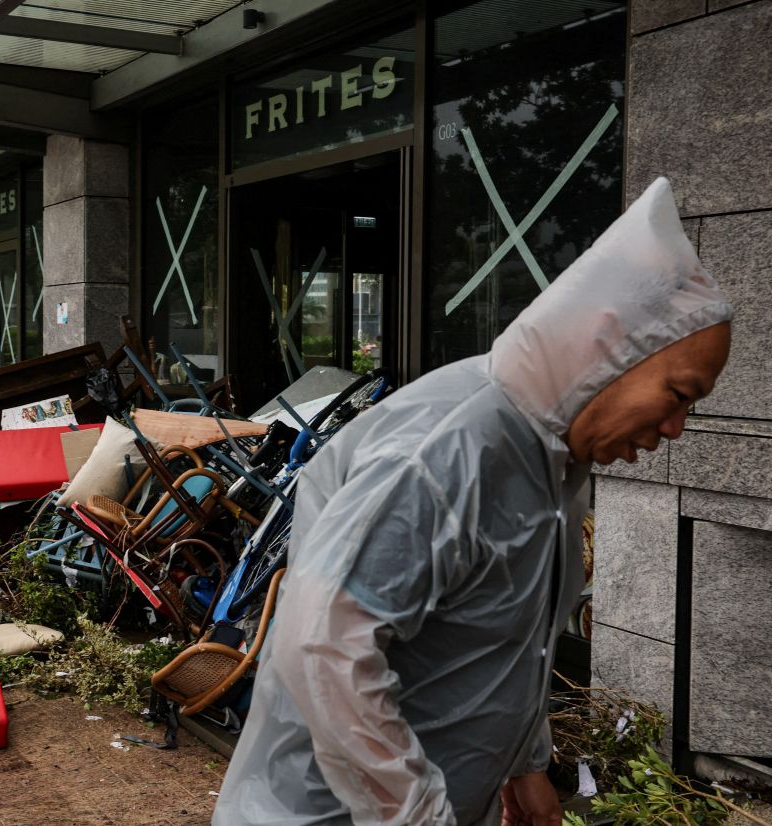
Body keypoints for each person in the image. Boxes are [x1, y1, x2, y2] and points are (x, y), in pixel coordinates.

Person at [213, 177, 733, 826]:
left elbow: (506, 644)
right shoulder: (449, 450)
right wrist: (419, 815)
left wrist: (524, 767)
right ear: (614, 343)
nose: (676, 429)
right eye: (679, 394)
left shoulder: (549, 464)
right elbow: (322, 647)